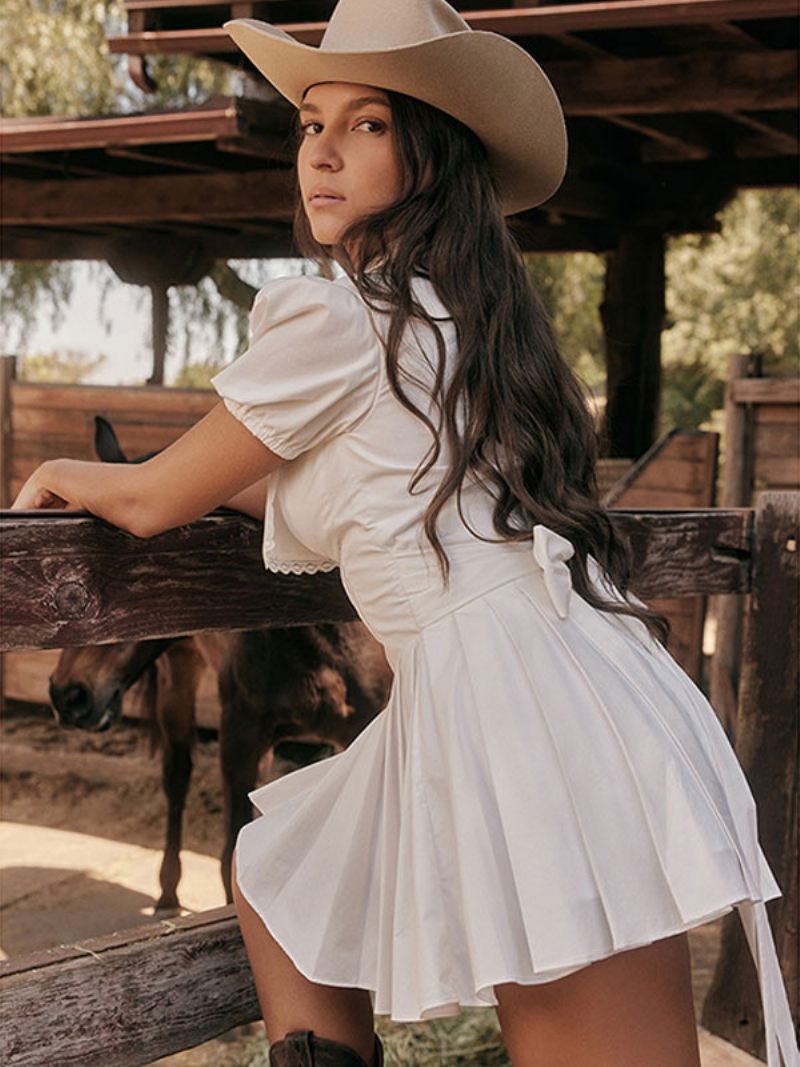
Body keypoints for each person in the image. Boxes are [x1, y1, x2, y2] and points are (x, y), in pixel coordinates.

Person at [11, 1, 798, 1065]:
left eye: (367, 123)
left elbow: (156, 498)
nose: (321, 150)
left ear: (430, 152)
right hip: (552, 679)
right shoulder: (457, 326)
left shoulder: (339, 319)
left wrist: (60, 468)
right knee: (283, 870)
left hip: (511, 702)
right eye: (308, 123)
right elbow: (341, 494)